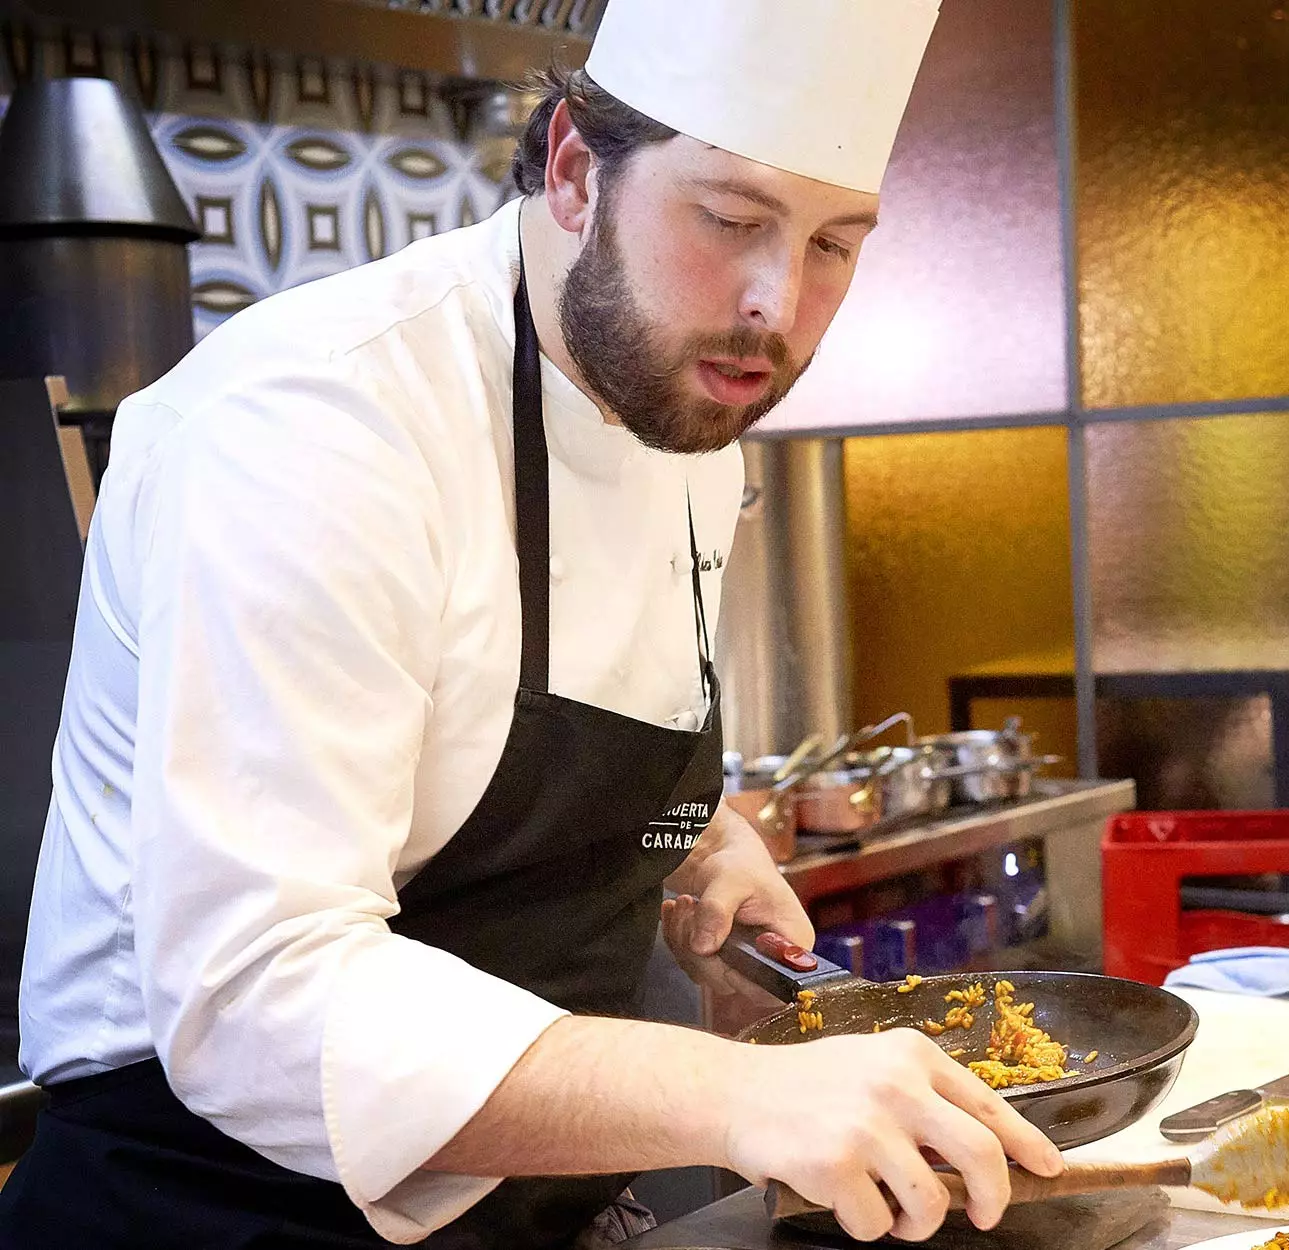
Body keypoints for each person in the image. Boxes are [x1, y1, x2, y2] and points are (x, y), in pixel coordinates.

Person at [0, 1, 1064, 1245]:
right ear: (572, 169)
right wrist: (734, 1094)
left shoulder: (687, 400)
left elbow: (496, 722)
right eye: (729, 220)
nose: (781, 302)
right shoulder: (316, 426)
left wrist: (684, 839)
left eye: (836, 243)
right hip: (213, 1203)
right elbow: (255, 996)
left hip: (520, 1209)